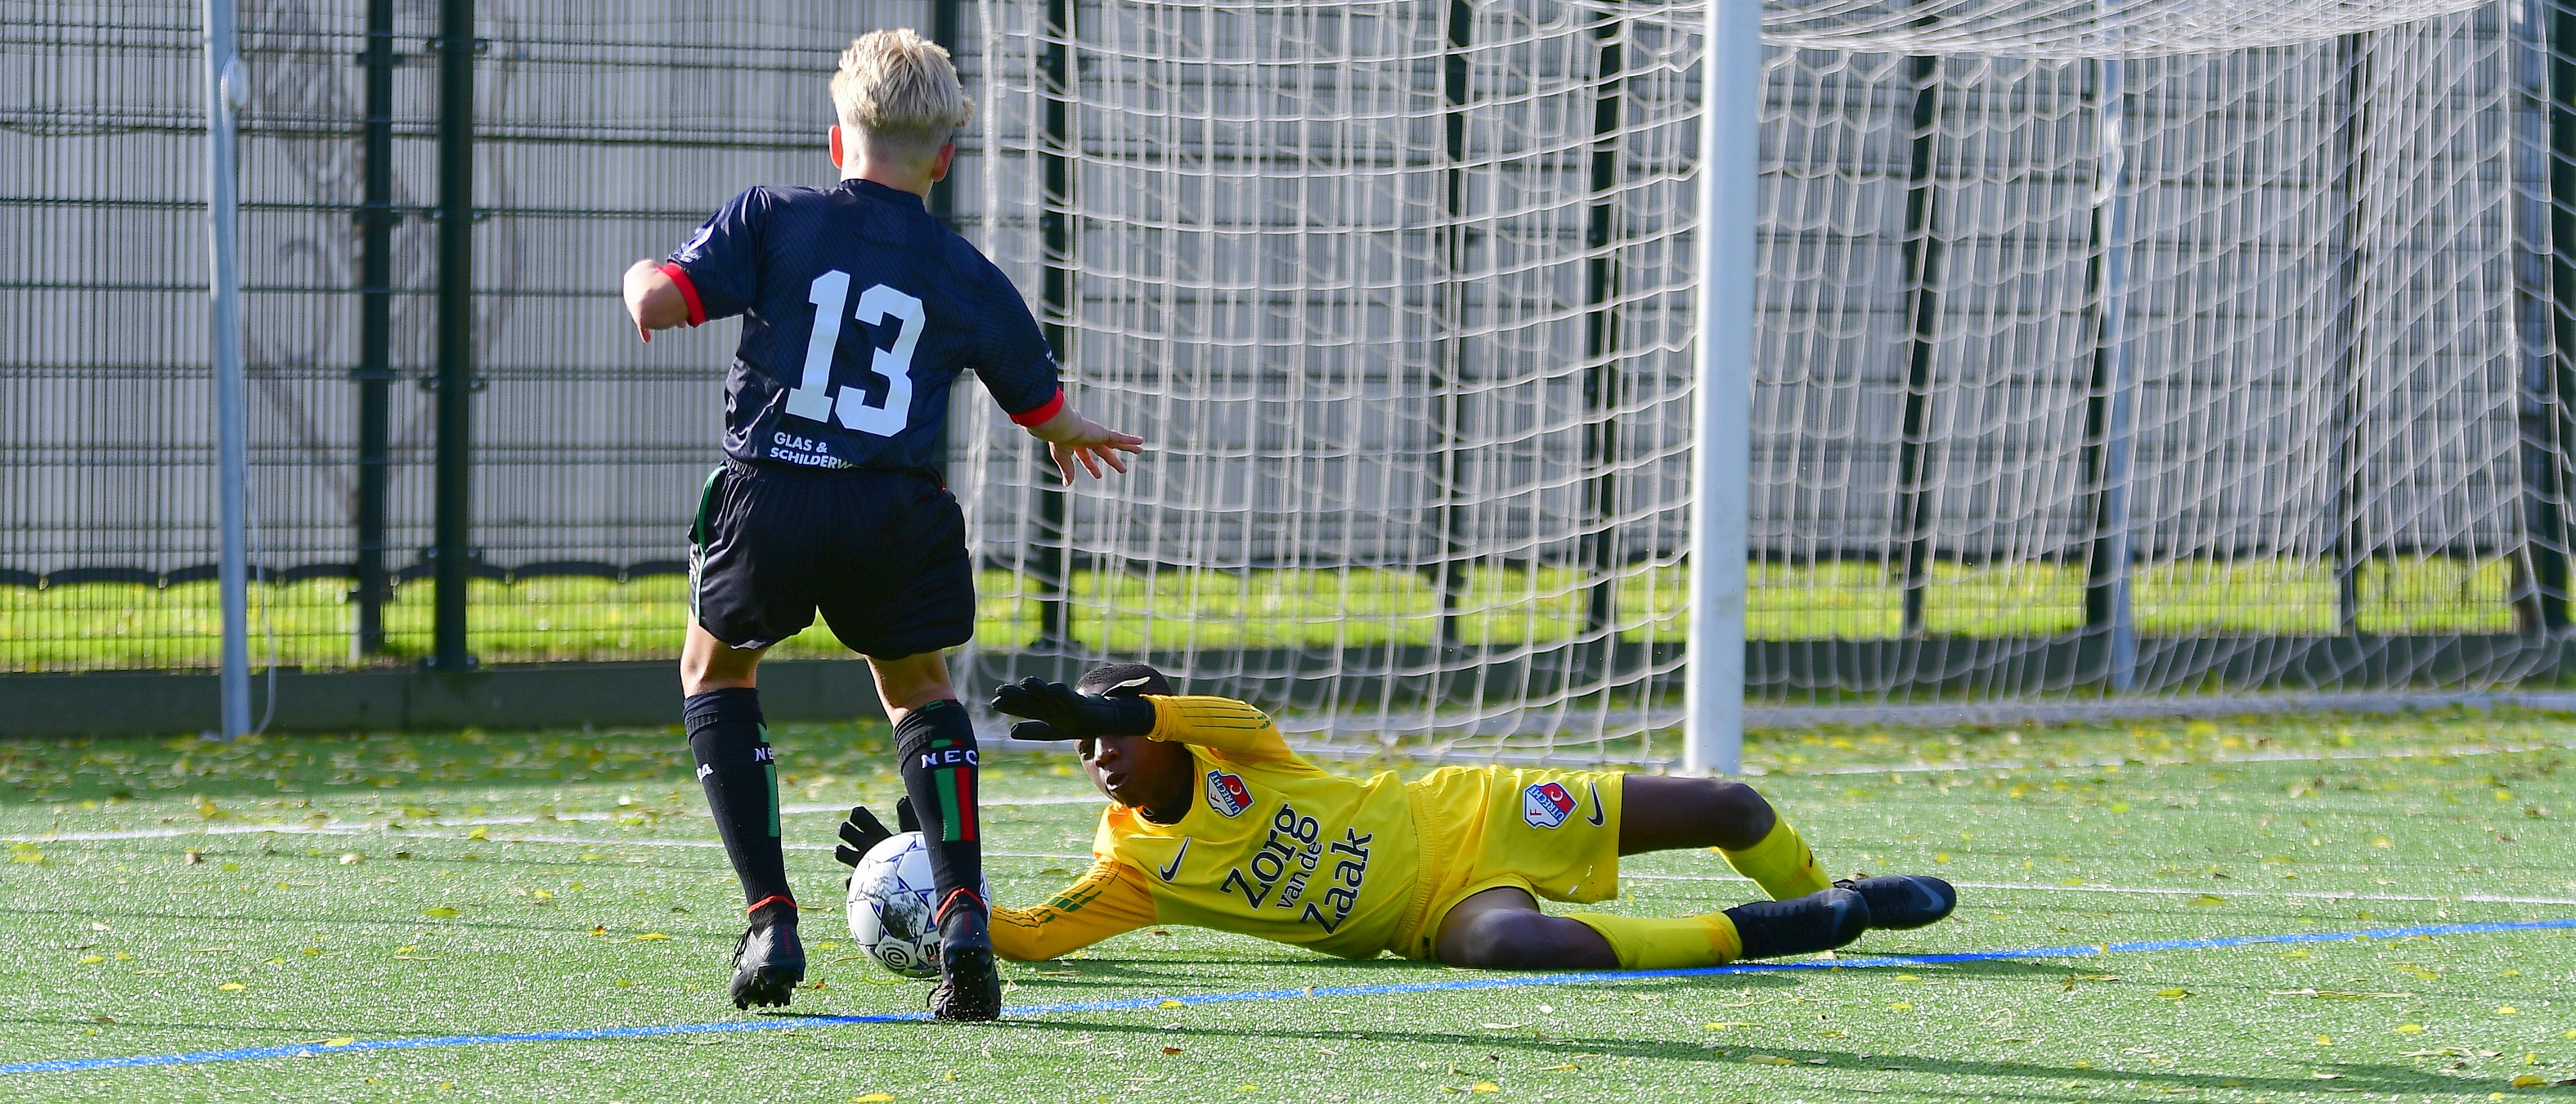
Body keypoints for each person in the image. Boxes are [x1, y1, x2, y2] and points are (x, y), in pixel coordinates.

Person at [621, 29, 1142, 1020]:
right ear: (944, 157)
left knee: (718, 671)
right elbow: (1038, 399)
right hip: (892, 509)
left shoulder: (772, 217)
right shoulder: (963, 268)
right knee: (919, 692)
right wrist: (1072, 433)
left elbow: (670, 296)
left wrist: (641, 282)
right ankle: (962, 919)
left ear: (836, 141)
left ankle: (772, 915)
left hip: (770, 492)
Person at [836, 663, 1955, 974]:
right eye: (1084, 746)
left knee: (1727, 801)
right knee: (1518, 947)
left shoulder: (1232, 746)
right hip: (1435, 912)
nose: (1099, 757)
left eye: (1112, 732)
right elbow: (1030, 932)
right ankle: (1807, 919)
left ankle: (1812, 869)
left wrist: (1109, 698)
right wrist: (937, 866)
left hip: (1481, 807)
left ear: (1162, 728)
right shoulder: (1134, 869)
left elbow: (1225, 707)